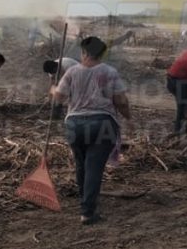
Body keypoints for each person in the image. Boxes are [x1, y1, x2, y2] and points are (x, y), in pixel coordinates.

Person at [51, 37, 132, 224]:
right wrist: (128, 118)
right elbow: (121, 101)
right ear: (100, 54)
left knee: (81, 164)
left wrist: (53, 89)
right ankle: (87, 212)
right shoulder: (110, 72)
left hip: (74, 124)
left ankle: (85, 200)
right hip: (101, 124)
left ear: (84, 53)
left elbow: (59, 97)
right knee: (94, 167)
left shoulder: (71, 72)